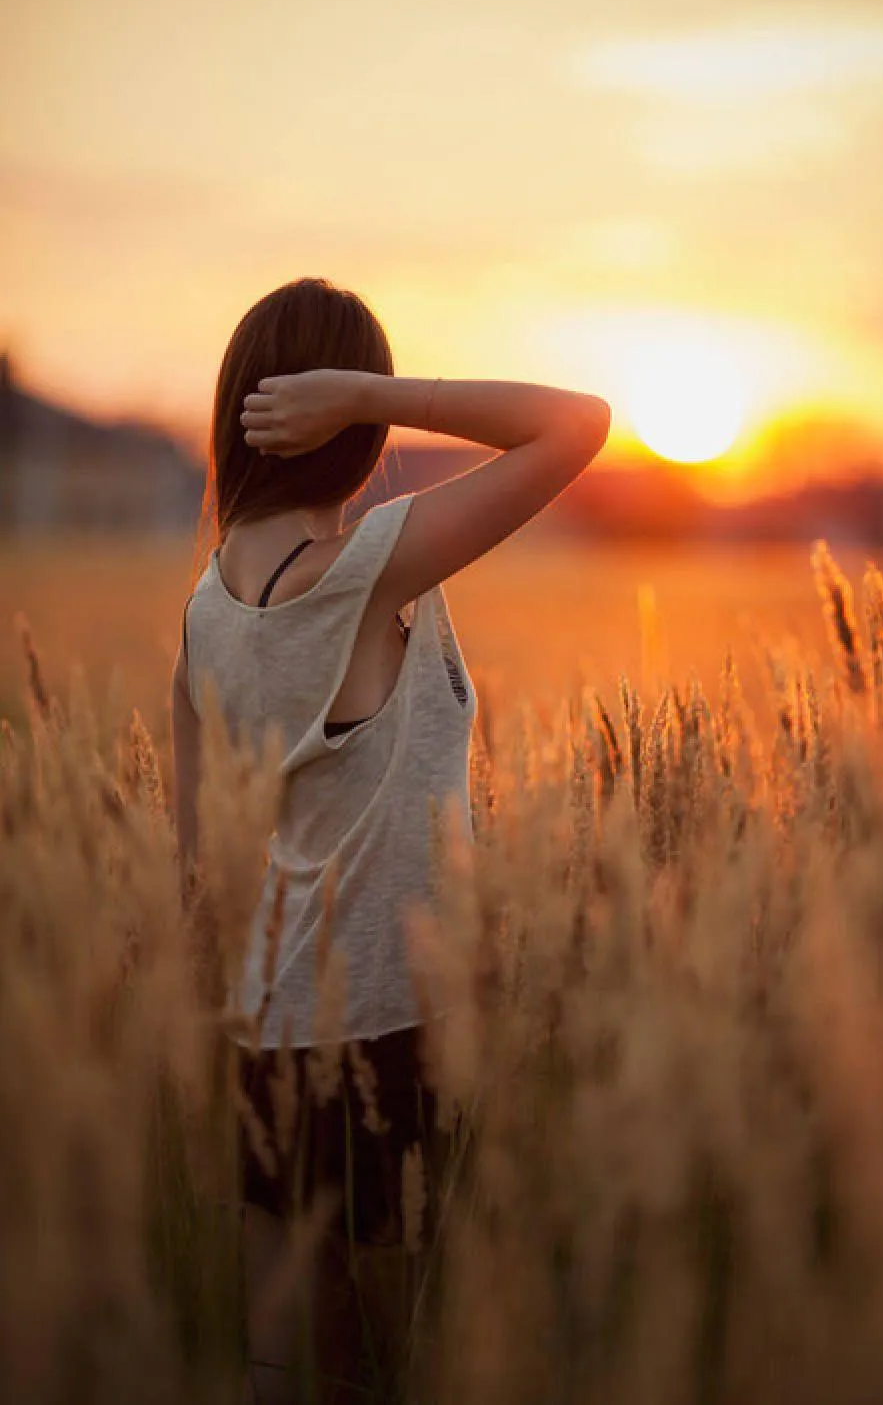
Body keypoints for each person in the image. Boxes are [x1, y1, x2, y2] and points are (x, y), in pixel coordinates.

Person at [169, 276, 611, 1400]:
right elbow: (578, 423)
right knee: (421, 1358)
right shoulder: (363, 570)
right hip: (393, 1025)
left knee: (291, 1362)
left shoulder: (204, 615)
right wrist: (374, 389)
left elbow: (198, 880)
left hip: (264, 1033)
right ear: (339, 423)